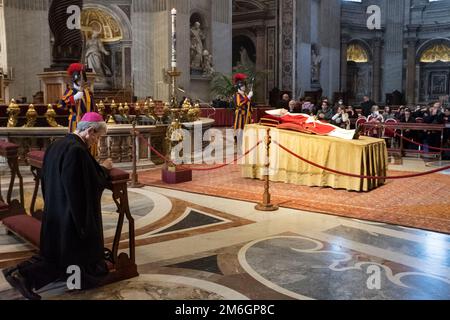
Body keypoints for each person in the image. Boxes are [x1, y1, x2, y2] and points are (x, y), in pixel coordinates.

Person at [3, 113, 113, 300]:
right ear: (89, 131)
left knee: (56, 252)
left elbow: (47, 179)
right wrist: (104, 169)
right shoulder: (77, 150)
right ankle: (26, 276)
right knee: (70, 255)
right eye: (97, 137)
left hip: (55, 208)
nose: (96, 141)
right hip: (71, 214)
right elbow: (88, 184)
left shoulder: (57, 144)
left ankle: (18, 271)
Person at [264, 109, 358, 140]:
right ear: (281, 113)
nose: (284, 109)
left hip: (312, 120)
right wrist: (307, 121)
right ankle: (349, 136)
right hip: (309, 124)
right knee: (329, 130)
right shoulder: (285, 116)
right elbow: (295, 122)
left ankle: (352, 132)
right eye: (282, 110)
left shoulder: (289, 114)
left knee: (332, 126)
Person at [59, 63, 96, 133]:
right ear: (75, 79)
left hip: (88, 121)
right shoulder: (70, 91)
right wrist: (74, 97)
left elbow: (93, 108)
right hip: (75, 121)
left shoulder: (88, 92)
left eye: (82, 80)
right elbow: (61, 105)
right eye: (79, 80)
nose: (81, 82)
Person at [233, 73, 253, 143]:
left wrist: (251, 111)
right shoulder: (237, 94)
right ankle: (238, 140)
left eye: (244, 86)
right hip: (240, 114)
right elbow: (239, 104)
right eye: (242, 86)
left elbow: (248, 103)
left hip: (247, 114)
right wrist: (248, 97)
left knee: (246, 128)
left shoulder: (245, 94)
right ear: (239, 87)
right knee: (239, 127)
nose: (244, 87)